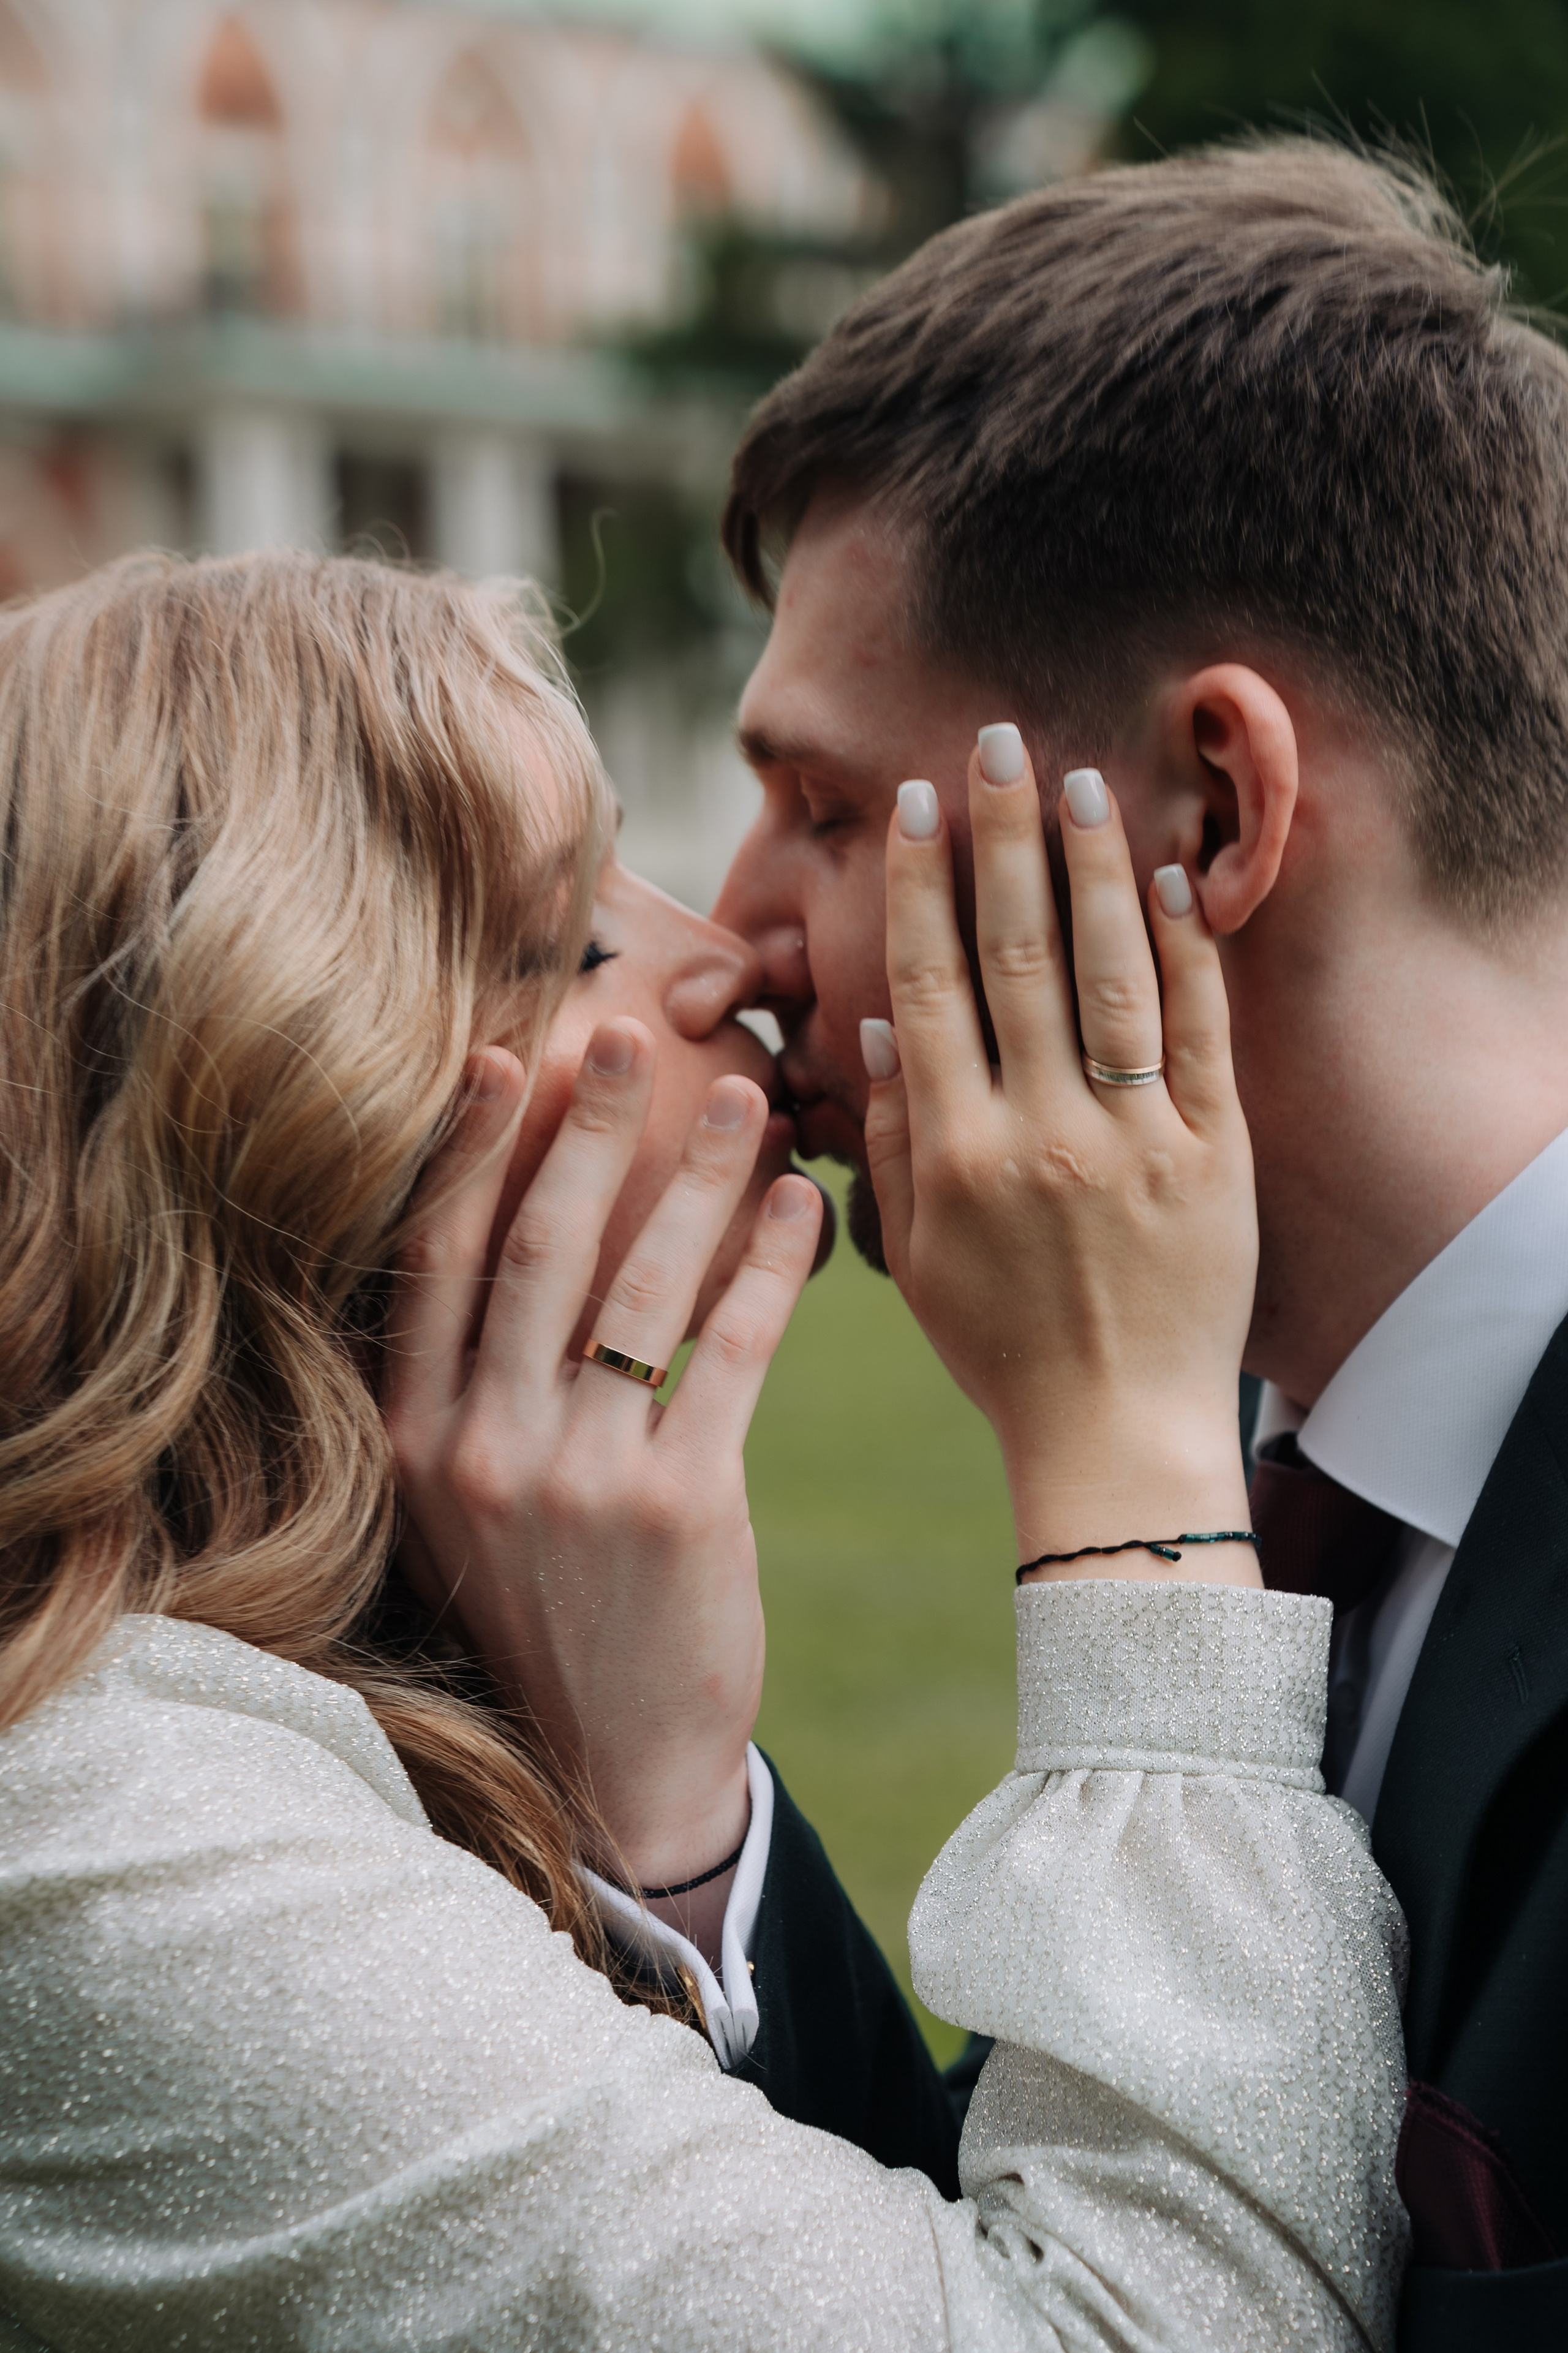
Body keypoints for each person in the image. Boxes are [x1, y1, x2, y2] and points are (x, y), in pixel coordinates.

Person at [0, 548, 1405, 2348]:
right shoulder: (110, 1831)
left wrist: (658, 1826)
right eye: (570, 938)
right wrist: (1131, 1477)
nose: (727, 958)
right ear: (279, 1118)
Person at [712, 134, 1568, 2343]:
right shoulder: (1243, 1480)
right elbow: (1034, 2266)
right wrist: (660, 1799)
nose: (731, 933)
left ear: (1207, 807)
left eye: (818, 807)